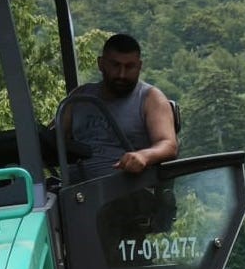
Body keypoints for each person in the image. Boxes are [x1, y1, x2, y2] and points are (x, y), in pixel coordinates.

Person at [60, 33, 178, 182]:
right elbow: (53, 139)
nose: (122, 74)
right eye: (115, 65)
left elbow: (168, 145)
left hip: (128, 191)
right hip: (75, 194)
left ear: (139, 66)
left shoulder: (150, 98)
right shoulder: (80, 97)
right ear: (101, 64)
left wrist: (144, 156)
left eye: (129, 67)